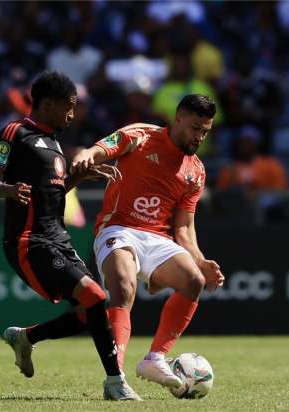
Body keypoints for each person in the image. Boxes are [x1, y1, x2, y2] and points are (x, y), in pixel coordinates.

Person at [0, 71, 141, 401]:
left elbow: (53, 194)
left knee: (91, 309)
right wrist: (8, 189)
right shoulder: (15, 132)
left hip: (59, 239)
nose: (72, 113)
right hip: (28, 241)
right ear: (48, 104)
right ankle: (115, 383)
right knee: (94, 296)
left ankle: (26, 338)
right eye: (69, 106)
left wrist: (77, 178)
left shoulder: (54, 143)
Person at [70, 94, 225, 390]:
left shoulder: (196, 171)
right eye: (195, 128)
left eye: (205, 131)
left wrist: (200, 260)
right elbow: (103, 148)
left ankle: (155, 358)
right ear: (177, 118)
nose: (199, 137)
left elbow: (183, 228)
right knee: (124, 287)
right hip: (118, 228)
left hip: (157, 237)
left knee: (193, 280)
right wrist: (86, 155)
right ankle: (116, 376)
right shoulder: (141, 135)